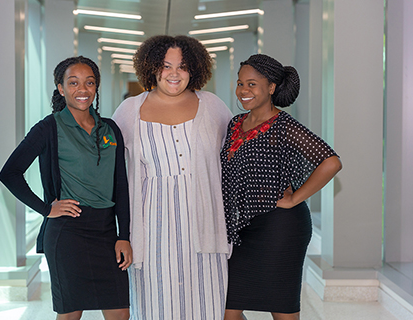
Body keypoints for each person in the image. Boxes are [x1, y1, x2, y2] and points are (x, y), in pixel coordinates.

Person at [0, 56, 132, 320]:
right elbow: (10, 173)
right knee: (71, 314)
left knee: (120, 313)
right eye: (73, 83)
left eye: (89, 82)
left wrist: (124, 235)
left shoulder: (111, 129)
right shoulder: (49, 128)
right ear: (60, 88)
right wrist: (46, 209)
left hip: (106, 232)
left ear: (96, 87)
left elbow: (121, 184)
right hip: (68, 233)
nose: (82, 90)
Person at [112, 35, 232, 320]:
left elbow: (238, 152)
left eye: (182, 66)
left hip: (204, 222)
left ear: (195, 69)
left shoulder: (212, 106)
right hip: (152, 227)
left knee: (208, 302)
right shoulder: (130, 110)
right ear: (152, 68)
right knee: (156, 303)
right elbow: (107, 164)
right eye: (166, 66)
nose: (174, 74)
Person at [220, 54, 342, 320]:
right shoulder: (234, 124)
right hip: (245, 228)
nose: (243, 91)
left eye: (252, 84)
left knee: (282, 310)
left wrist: (294, 198)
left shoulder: (284, 126)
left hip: (281, 229)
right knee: (228, 308)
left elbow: (331, 162)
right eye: (240, 83)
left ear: (271, 87)